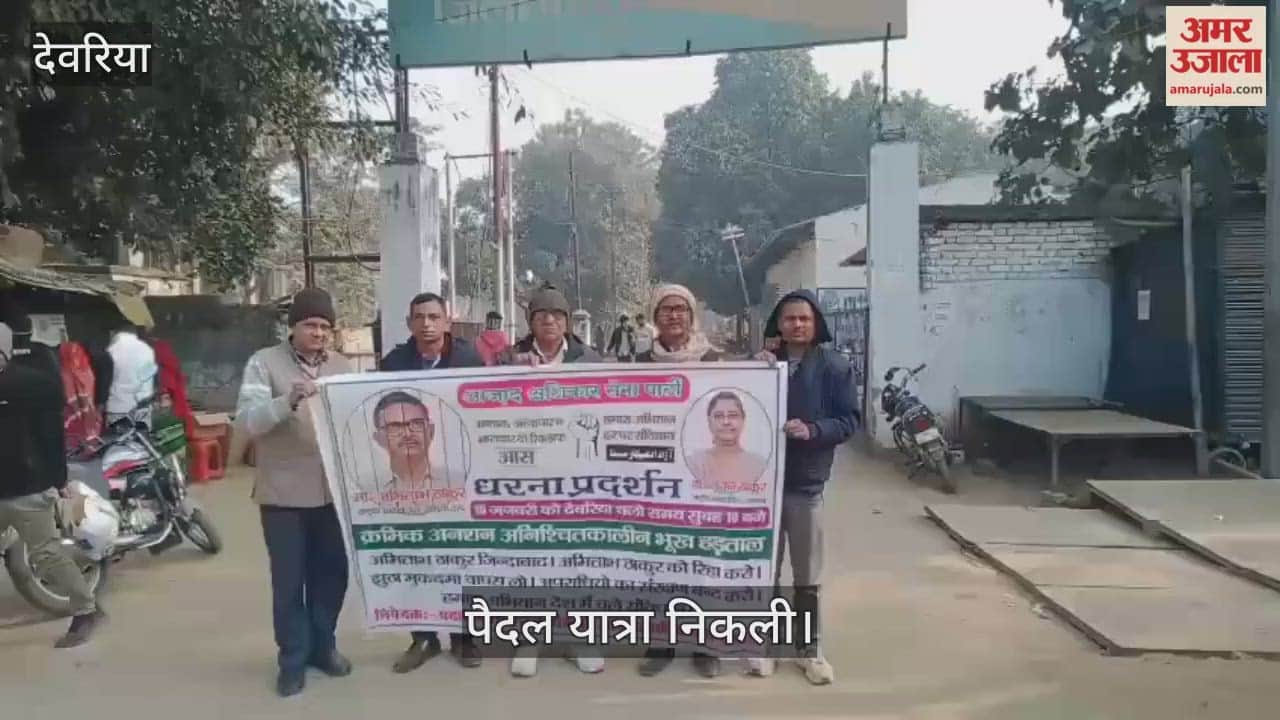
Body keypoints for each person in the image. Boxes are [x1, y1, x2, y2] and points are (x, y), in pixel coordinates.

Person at [234, 288, 353, 698]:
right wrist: (289, 399)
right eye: (310, 325)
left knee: (332, 576)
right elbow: (248, 421)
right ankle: (292, 660)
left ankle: (324, 647)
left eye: (325, 326)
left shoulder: (343, 366)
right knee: (289, 582)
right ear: (293, 327)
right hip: (282, 494)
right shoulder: (263, 363)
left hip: (333, 494)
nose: (318, 332)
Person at [749, 289, 858, 686]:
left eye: (804, 319)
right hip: (760, 486)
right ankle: (768, 646)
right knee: (765, 571)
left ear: (816, 325)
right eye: (790, 318)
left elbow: (849, 421)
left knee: (806, 573)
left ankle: (810, 649)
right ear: (778, 323)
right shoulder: (763, 364)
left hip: (805, 483)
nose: (797, 325)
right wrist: (754, 371)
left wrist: (813, 430)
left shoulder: (834, 367)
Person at [498, 283, 603, 677]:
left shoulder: (590, 360)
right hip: (528, 476)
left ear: (567, 321)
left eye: (557, 315)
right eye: (541, 314)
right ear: (531, 321)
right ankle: (530, 638)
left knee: (578, 560)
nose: (549, 321)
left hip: (578, 478)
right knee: (532, 559)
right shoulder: (511, 359)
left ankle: (579, 638)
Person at [379, 291, 485, 673]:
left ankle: (465, 636)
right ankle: (423, 636)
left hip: (458, 473)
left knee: (461, 555)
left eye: (433, 317)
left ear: (447, 323)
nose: (426, 324)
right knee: (418, 554)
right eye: (419, 317)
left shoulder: (471, 361)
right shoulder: (393, 364)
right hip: (411, 475)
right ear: (409, 324)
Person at [633, 283, 724, 678]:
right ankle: (661, 643)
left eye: (681, 309)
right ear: (655, 318)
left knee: (702, 563)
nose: (674, 316)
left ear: (691, 316)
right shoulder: (638, 363)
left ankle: (706, 646)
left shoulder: (715, 359)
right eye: (666, 310)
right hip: (656, 480)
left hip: (703, 479)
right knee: (661, 564)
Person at [0, 322, 105, 648]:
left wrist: (57, 480)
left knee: (46, 554)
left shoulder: (32, 386)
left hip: (26, 487)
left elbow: (51, 437)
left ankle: (87, 610)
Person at [685, 391, 768, 494]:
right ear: (709, 422)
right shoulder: (694, 463)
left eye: (733, 415)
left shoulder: (759, 464)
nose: (726, 422)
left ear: (743, 420)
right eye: (718, 416)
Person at [105, 315, 158, 428]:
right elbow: (149, 377)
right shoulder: (147, 350)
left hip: (118, 407)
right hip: (142, 407)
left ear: (115, 332)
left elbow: (107, 379)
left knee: (119, 442)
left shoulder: (111, 350)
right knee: (140, 442)